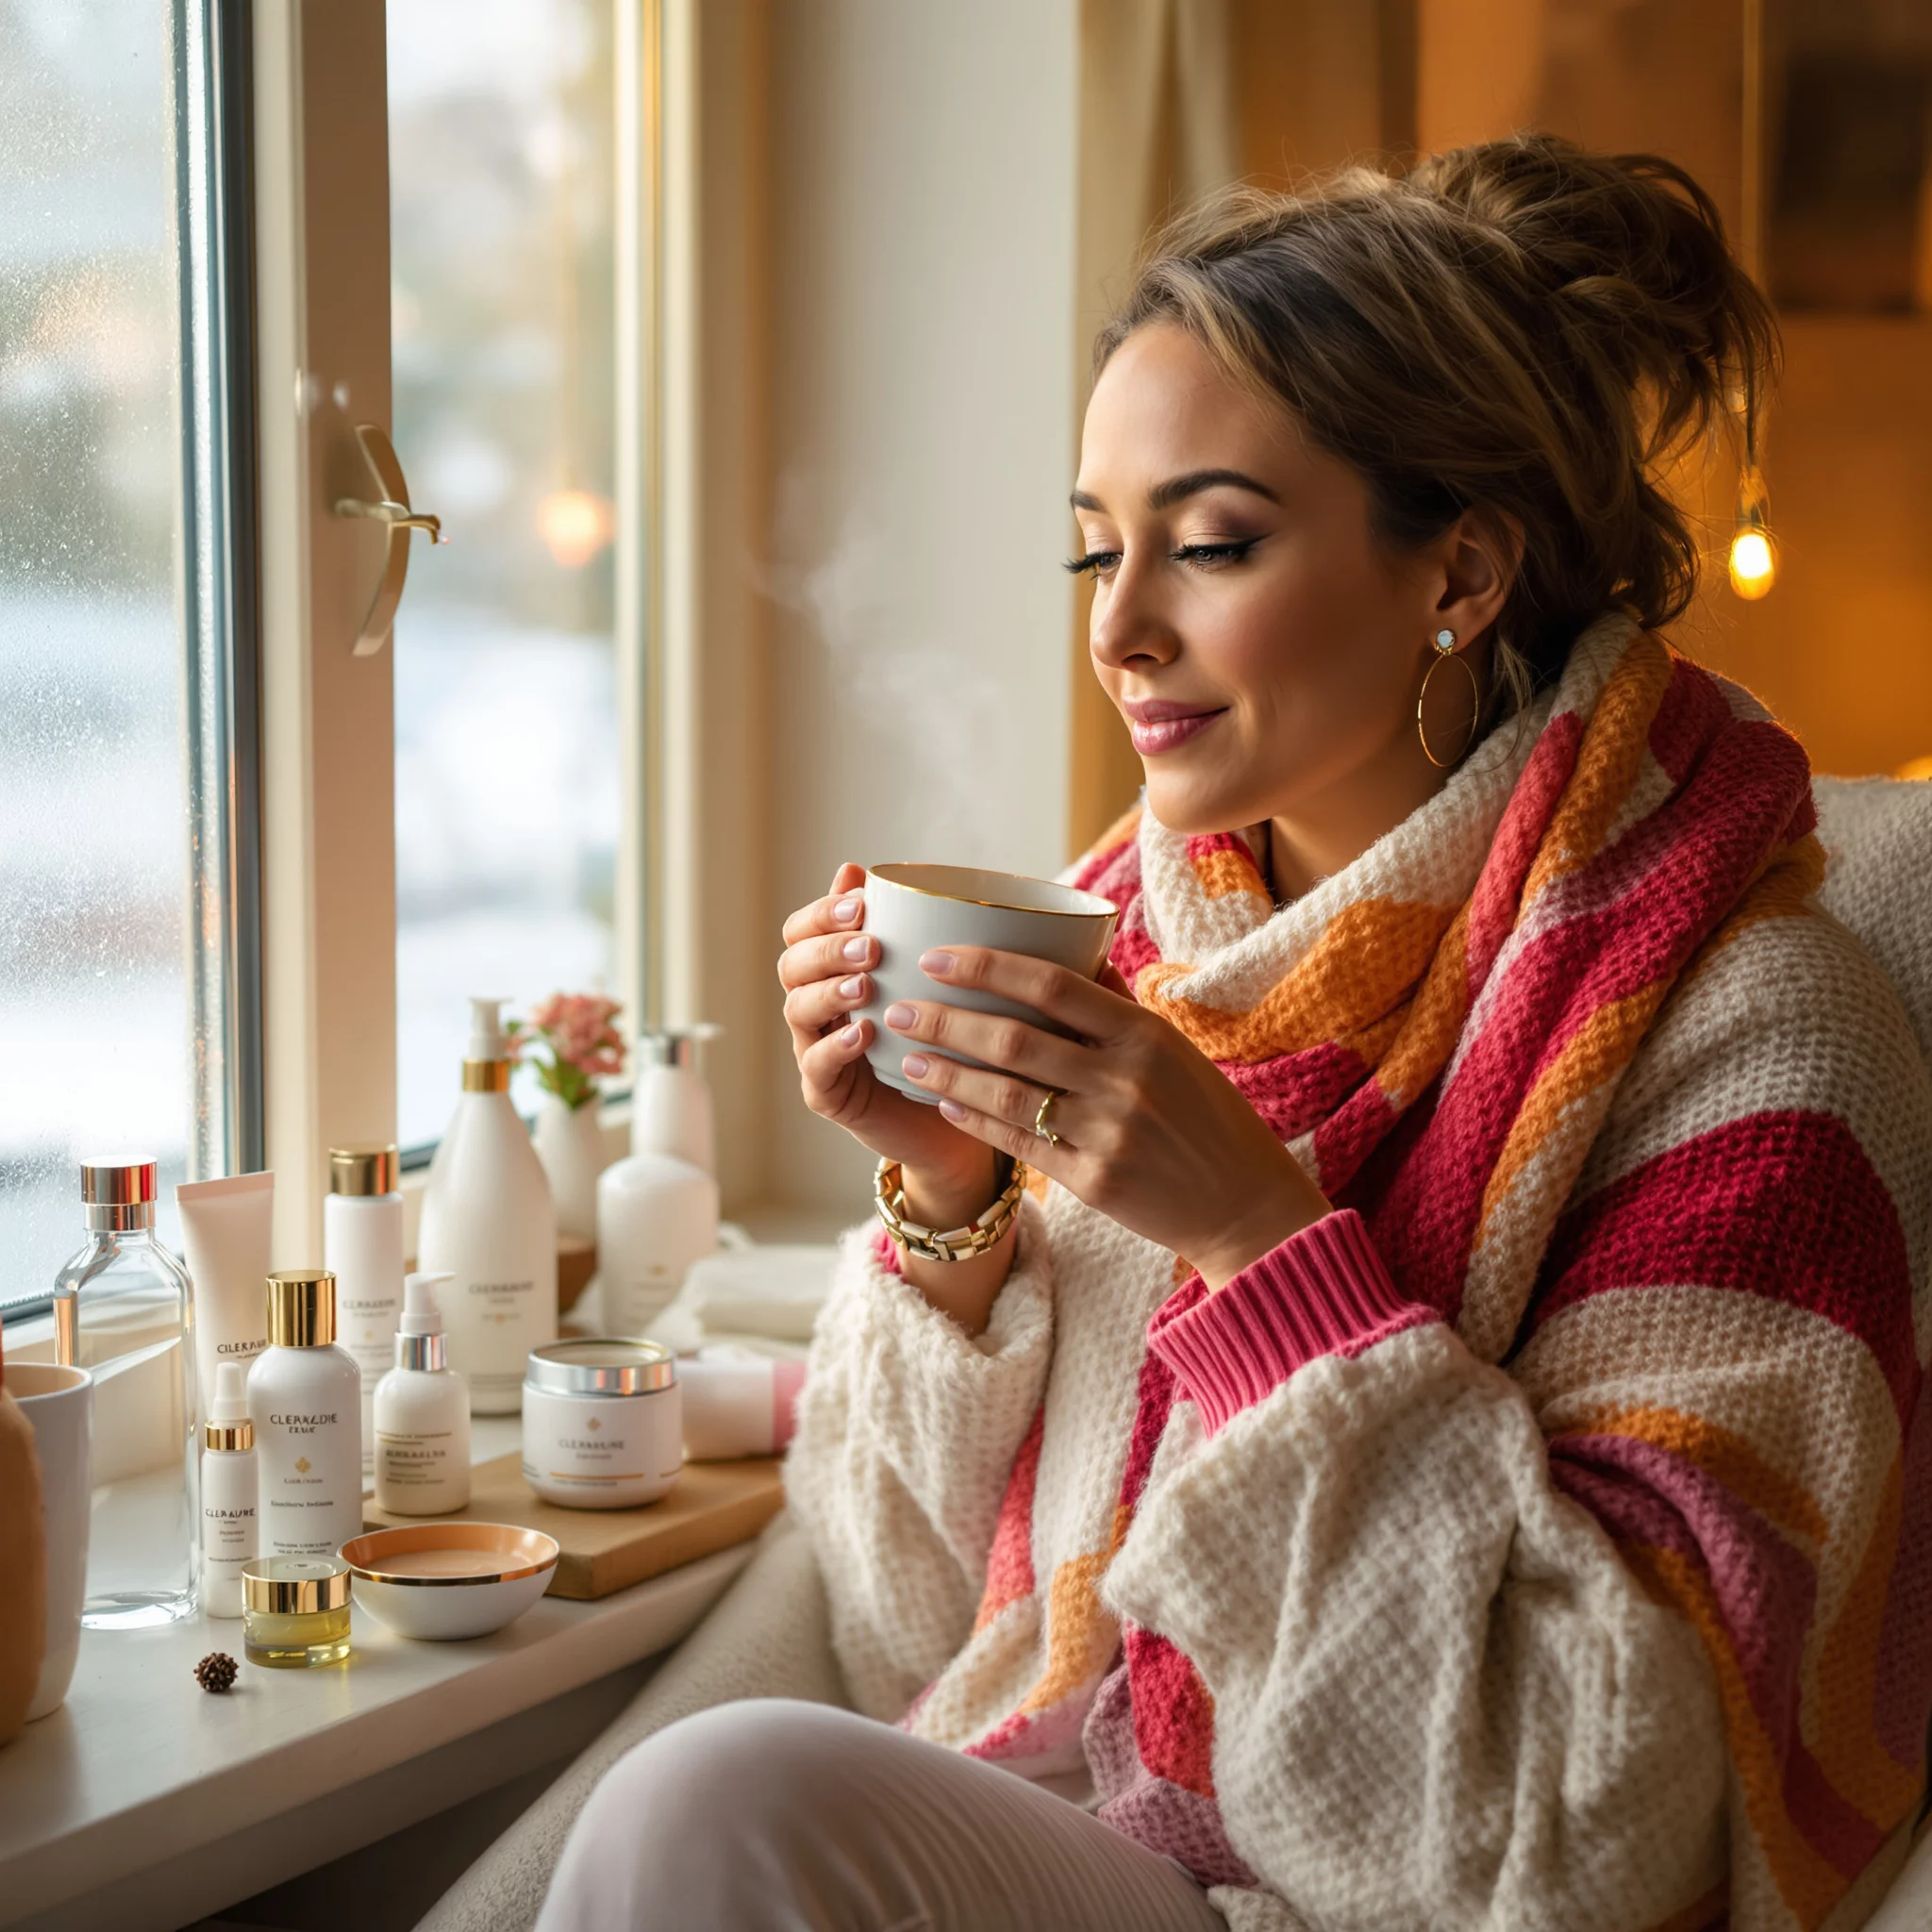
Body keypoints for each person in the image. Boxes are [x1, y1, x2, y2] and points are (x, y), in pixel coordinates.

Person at [539, 133, 1932, 1932]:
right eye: (1093, 552)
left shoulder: (1753, 1038)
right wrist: (952, 1203)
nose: (1120, 630)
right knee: (717, 1800)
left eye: (1209, 544)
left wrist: (1258, 1246)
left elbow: (1602, 1833)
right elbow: (907, 1636)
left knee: (716, 1800)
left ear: (1463, 572)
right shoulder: (1130, 950)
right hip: (1099, 1835)